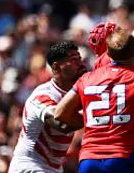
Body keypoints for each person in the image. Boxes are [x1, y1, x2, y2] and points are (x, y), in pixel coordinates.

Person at [54, 28, 134, 173]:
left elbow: (59, 113)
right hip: (124, 159)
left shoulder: (86, 79)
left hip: (89, 161)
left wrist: (98, 120)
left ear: (108, 53)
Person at [9, 42, 87, 173]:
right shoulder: (43, 95)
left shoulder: (76, 93)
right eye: (74, 60)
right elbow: (61, 124)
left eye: (80, 59)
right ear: (56, 68)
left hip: (53, 168)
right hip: (30, 166)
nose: (81, 64)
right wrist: (97, 114)